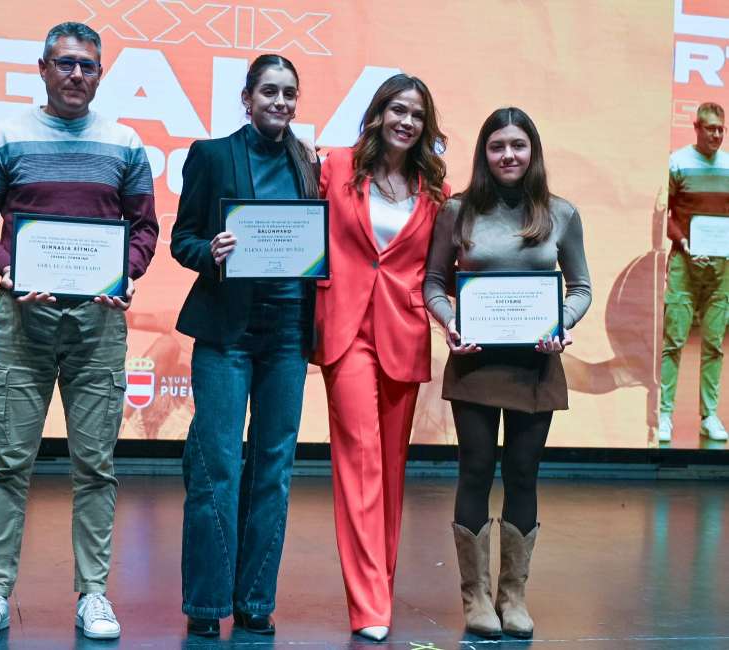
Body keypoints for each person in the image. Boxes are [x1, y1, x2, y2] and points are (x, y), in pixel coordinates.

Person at [0, 22, 158, 641]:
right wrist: (10, 269)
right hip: (22, 317)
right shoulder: (4, 136)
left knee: (95, 465)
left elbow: (144, 229)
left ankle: (93, 593)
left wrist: (122, 276)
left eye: (88, 67)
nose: (77, 75)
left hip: (98, 322)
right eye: (65, 64)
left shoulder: (125, 144)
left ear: (101, 75)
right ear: (42, 69)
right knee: (9, 461)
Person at [423, 107, 591, 639]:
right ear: (484, 153)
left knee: (522, 474)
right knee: (474, 472)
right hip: (474, 361)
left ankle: (513, 596)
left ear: (533, 152)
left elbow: (582, 288)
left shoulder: (561, 214)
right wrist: (450, 322)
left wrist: (560, 324)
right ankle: (476, 599)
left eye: (518, 145)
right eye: (497, 146)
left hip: (536, 365)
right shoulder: (456, 211)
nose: (508, 155)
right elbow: (432, 283)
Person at [170, 54, 319, 638]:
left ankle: (256, 599)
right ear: (247, 97)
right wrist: (212, 251)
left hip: (288, 330)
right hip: (227, 331)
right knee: (218, 466)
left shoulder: (306, 161)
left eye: (289, 94)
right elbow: (183, 238)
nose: (279, 103)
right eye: (269, 92)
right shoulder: (211, 155)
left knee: (274, 468)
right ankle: (208, 605)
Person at [312, 74, 448, 641]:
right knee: (360, 460)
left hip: (403, 330)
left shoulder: (435, 190)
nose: (407, 121)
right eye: (398, 109)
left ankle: (379, 587)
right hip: (345, 329)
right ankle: (368, 603)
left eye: (417, 114)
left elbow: (437, 268)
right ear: (377, 114)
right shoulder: (335, 165)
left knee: (391, 470)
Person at [658, 102, 729, 443]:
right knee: (673, 342)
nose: (716, 135)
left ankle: (709, 415)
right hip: (685, 263)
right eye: (710, 128)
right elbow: (666, 214)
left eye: (721, 129)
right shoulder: (677, 162)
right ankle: (665, 414)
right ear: (697, 128)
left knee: (714, 343)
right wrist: (685, 243)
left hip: (721, 269)